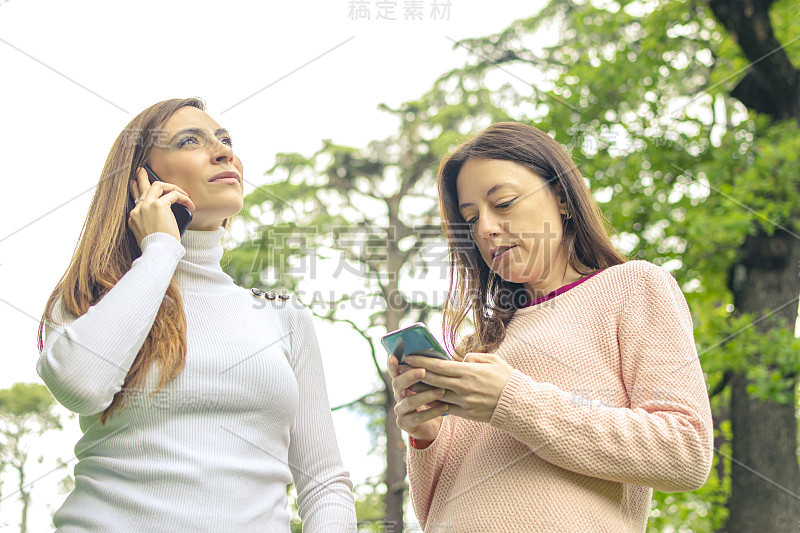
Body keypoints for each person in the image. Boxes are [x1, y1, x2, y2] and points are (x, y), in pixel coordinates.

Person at [36, 98, 357, 532]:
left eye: (225, 140)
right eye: (191, 141)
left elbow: (324, 483)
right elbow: (80, 385)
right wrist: (162, 248)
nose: (225, 152)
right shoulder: (92, 296)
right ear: (142, 180)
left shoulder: (281, 315)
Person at [388, 122, 713, 532]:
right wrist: (426, 434)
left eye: (502, 203)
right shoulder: (480, 347)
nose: (485, 228)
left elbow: (685, 451)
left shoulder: (632, 287)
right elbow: (433, 510)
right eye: (471, 219)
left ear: (560, 196)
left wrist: (511, 401)